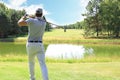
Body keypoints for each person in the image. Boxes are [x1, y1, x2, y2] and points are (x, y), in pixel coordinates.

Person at [18, 8, 49, 80]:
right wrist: (33, 16)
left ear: (35, 13)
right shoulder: (44, 22)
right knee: (43, 64)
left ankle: (32, 78)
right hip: (39, 45)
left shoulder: (31, 21)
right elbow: (38, 18)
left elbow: (19, 23)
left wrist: (24, 17)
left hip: (30, 45)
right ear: (42, 14)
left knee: (31, 63)